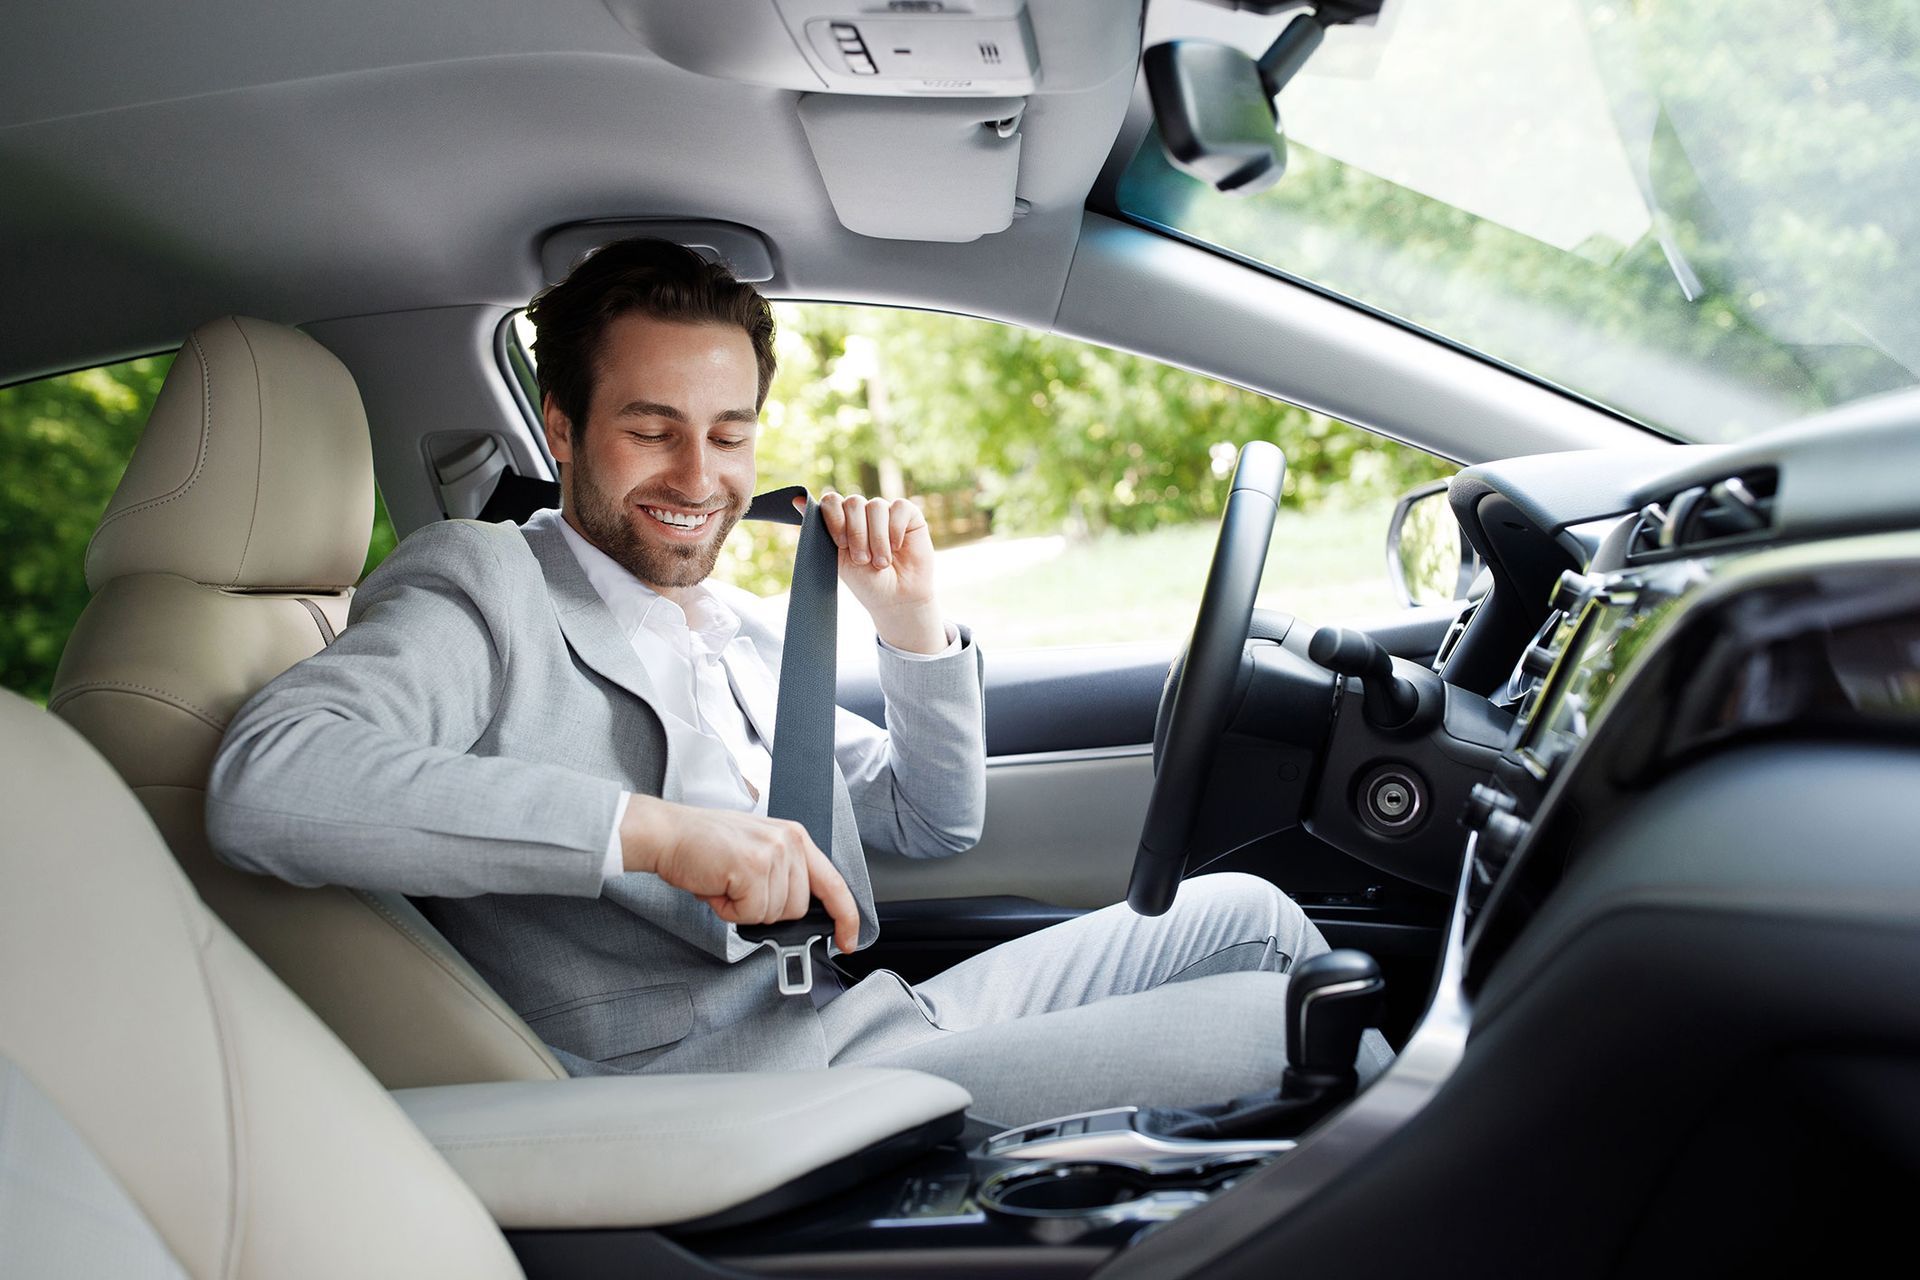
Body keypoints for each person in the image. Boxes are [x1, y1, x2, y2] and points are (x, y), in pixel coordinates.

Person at [207, 237, 1372, 1125]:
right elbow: (271, 780)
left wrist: (909, 626)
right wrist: (654, 833)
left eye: (729, 432)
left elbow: (932, 820)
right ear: (561, 428)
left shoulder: (735, 627)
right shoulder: (482, 582)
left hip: (858, 1021)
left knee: (1254, 913)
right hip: (722, 1095)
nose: (698, 476)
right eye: (651, 429)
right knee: (1302, 1034)